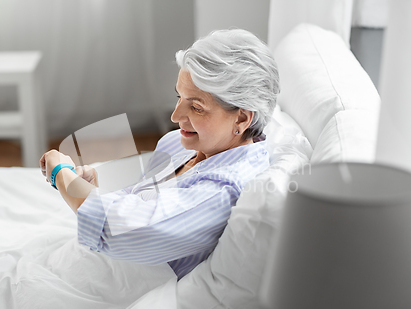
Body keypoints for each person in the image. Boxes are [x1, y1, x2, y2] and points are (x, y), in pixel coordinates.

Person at [40, 29, 280, 279]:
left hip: (116, 288)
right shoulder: (179, 145)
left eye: (196, 107)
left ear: (241, 118)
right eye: (180, 97)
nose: (175, 117)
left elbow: (116, 230)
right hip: (91, 263)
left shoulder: (220, 192)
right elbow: (142, 203)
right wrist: (93, 189)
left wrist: (61, 173)